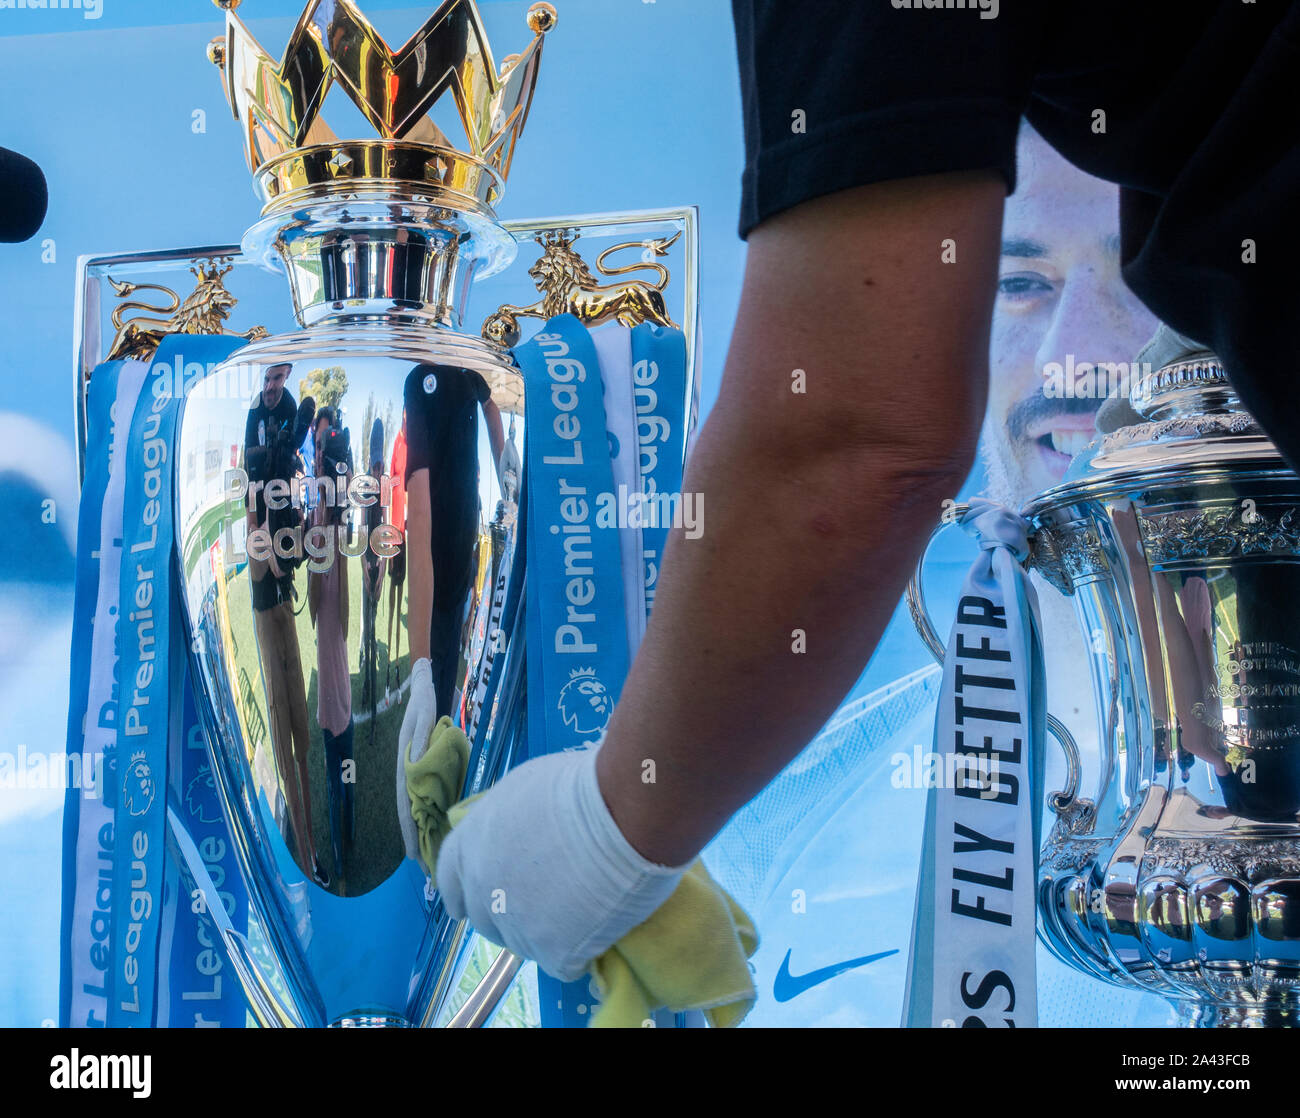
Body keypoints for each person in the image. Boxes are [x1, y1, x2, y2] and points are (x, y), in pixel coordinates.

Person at [434, 1, 1300, 989]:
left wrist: (613, 825)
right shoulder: (801, 817)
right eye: (1014, 285)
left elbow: (857, 437)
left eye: (1139, 286)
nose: (1080, 361)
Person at [245, 363, 326, 887]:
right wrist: (268, 558)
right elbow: (250, 501)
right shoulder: (252, 413)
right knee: (278, 710)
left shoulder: (294, 412)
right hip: (262, 585)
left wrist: (291, 547)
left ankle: (312, 840)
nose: (275, 388)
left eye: (281, 379)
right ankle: (293, 837)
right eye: (270, 379)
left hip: (283, 576)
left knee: (301, 719)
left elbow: (292, 488)